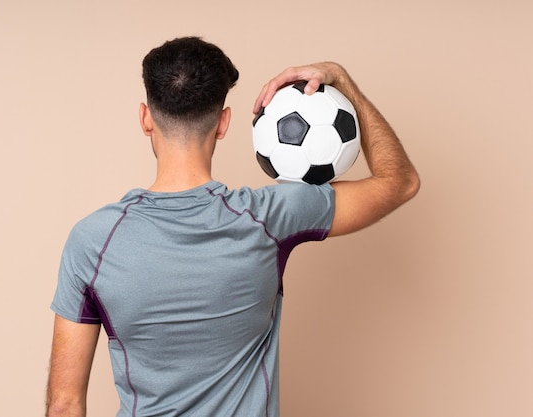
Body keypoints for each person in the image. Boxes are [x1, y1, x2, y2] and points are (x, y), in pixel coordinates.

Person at [45, 36, 420, 417]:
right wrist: (340, 79)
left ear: (145, 118)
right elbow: (400, 181)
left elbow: (64, 405)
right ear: (224, 123)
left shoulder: (92, 240)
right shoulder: (270, 218)